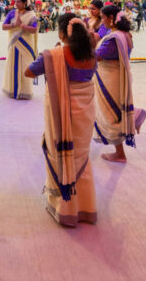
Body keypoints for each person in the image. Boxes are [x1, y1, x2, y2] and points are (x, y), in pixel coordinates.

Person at [25, 14, 97, 227]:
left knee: (61, 155)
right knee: (81, 157)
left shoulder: (54, 55)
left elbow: (29, 72)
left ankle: (64, 208)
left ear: (62, 34)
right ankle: (85, 208)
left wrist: (49, 58)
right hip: (85, 113)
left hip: (61, 113)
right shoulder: (92, 55)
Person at [93, 5, 146, 163]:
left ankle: (120, 152)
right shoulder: (125, 34)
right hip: (118, 77)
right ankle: (133, 118)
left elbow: (97, 56)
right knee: (116, 112)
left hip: (111, 79)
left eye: (103, 18)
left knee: (111, 115)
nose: (102, 22)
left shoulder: (114, 38)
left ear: (111, 18)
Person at [2, 0, 39, 100]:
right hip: (14, 44)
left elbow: (34, 30)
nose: (16, 3)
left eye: (18, 2)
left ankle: (25, 92)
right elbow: (4, 27)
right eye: (15, 1)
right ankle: (12, 91)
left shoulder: (31, 15)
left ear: (25, 3)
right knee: (13, 66)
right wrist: (14, 25)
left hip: (26, 46)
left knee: (25, 67)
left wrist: (22, 26)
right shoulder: (12, 13)